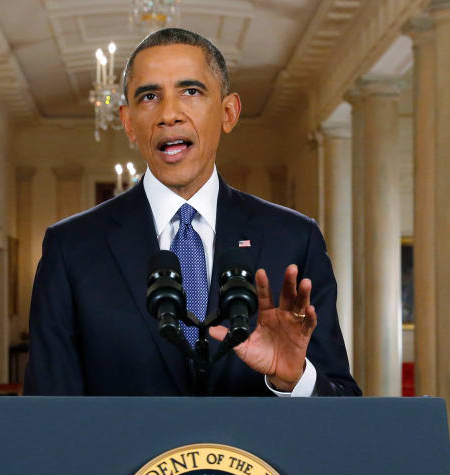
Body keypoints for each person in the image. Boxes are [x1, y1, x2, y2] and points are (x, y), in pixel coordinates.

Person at [24, 28, 360, 397]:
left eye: (191, 91)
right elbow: (48, 421)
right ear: (128, 122)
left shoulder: (295, 239)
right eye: (150, 96)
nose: (169, 114)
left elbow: (343, 410)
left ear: (228, 112)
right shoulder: (70, 249)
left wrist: (295, 379)